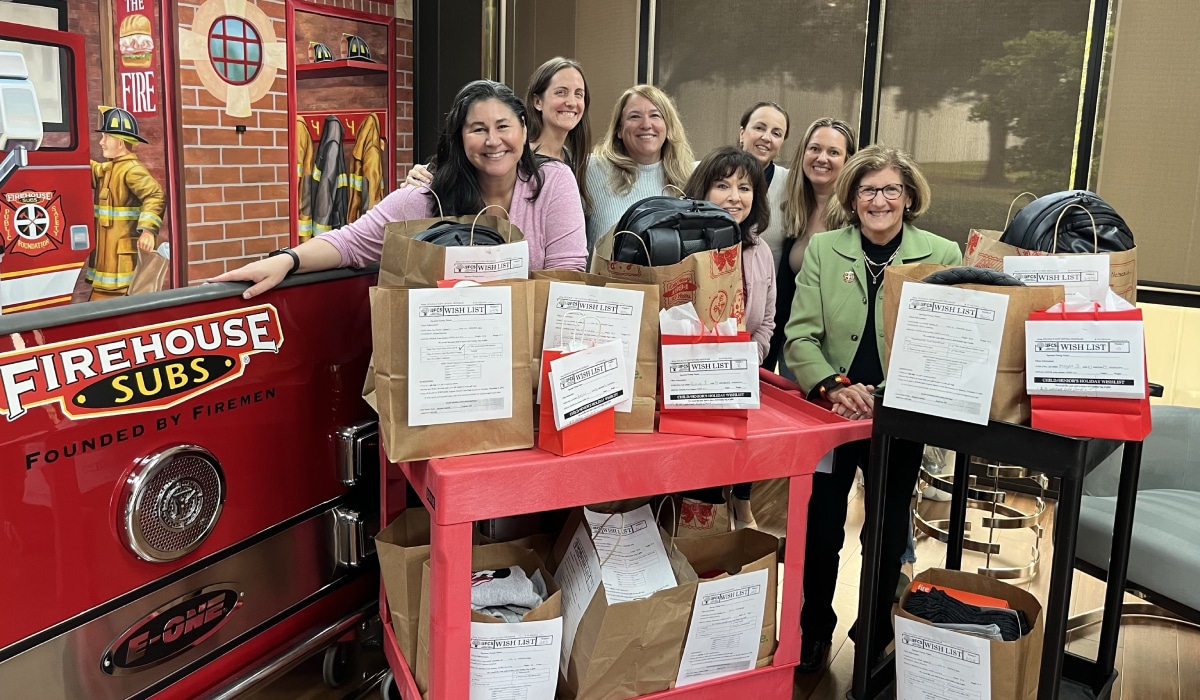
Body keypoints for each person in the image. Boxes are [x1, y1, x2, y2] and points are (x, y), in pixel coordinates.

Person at [783, 144, 961, 674]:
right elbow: (799, 337)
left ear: (908, 197)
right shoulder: (824, 249)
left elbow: (949, 339)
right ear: (852, 196)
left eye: (890, 190)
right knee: (821, 529)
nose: (878, 200)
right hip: (833, 416)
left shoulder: (942, 253)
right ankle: (813, 631)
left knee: (884, 533)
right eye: (867, 190)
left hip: (900, 415)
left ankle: (875, 631)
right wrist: (834, 386)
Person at [211, 80, 587, 297]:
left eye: (503, 126)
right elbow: (351, 243)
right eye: (478, 129)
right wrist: (287, 260)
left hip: (527, 362)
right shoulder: (427, 197)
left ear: (523, 127)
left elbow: (565, 277)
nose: (493, 141)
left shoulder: (553, 182)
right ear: (460, 138)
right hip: (446, 363)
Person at [681, 146, 775, 529]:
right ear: (702, 192)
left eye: (744, 187)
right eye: (722, 185)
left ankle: (736, 511)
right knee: (697, 492)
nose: (735, 196)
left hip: (739, 382)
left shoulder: (760, 249)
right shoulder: (680, 244)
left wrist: (746, 360)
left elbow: (767, 321)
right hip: (688, 386)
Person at [405, 57, 592, 210]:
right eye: (561, 92)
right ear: (537, 101)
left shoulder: (575, 161)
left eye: (579, 94)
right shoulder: (510, 156)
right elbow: (452, 172)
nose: (571, 102)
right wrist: (420, 180)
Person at [763, 118, 857, 373]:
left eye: (833, 152)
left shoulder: (856, 216)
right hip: (797, 349)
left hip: (838, 358)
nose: (821, 158)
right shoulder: (794, 210)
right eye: (814, 148)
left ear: (848, 161)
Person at [585, 84, 694, 254]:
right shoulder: (590, 170)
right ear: (619, 129)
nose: (646, 124)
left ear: (668, 126)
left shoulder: (689, 178)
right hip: (605, 280)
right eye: (635, 116)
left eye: (655, 115)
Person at [86, 106, 166, 301]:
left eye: (106, 137)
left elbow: (155, 195)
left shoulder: (132, 170)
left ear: (120, 142)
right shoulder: (109, 169)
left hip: (122, 265)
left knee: (110, 309)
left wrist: (147, 231)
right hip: (108, 262)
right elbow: (87, 169)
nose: (102, 142)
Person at [734, 101, 790, 270]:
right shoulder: (708, 172)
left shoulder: (791, 184)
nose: (766, 137)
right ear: (742, 133)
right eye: (759, 128)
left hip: (765, 291)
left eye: (776, 133)